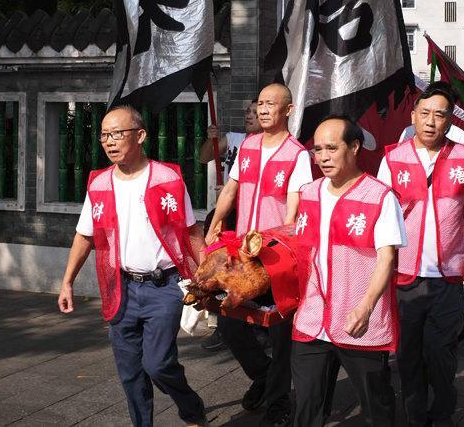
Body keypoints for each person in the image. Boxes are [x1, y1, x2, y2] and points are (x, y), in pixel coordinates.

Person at [58, 105, 207, 427]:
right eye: (104, 136)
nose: (109, 142)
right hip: (122, 288)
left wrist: (209, 276)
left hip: (164, 287)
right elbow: (85, 235)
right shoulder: (99, 185)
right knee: (130, 372)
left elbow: (192, 233)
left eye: (117, 134)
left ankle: (191, 407)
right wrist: (67, 281)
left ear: (140, 135)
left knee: (158, 365)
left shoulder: (167, 179)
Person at [377, 82, 464, 427]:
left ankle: (444, 412)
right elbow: (378, 215)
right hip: (403, 276)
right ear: (413, 116)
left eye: (440, 114)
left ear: (450, 121)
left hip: (448, 276)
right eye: (425, 113)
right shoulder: (393, 158)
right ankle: (416, 416)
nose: (431, 121)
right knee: (406, 357)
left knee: (441, 354)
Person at [204, 84, 312, 427]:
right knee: (228, 320)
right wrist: (216, 222)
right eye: (261, 103)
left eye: (271, 104)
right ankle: (263, 376)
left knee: (280, 333)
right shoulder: (248, 146)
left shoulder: (298, 155)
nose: (264, 109)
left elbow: (294, 211)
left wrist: (281, 244)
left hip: (277, 258)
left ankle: (279, 400)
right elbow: (232, 188)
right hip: (241, 254)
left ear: (288, 111)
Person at [290, 116, 405, 427]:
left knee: (376, 406)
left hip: (358, 322)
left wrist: (365, 307)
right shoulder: (310, 193)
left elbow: (386, 258)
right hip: (313, 318)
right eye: (317, 150)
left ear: (354, 147)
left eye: (331, 148)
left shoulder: (379, 196)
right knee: (304, 404)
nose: (323, 157)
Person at [197, 101, 260, 351]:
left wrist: (235, 190)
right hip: (226, 214)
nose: (251, 116)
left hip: (250, 217)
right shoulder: (234, 139)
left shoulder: (270, 148)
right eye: (248, 111)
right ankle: (222, 324)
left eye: (257, 112)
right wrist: (210, 138)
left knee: (248, 272)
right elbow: (204, 157)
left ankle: (253, 327)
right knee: (221, 269)